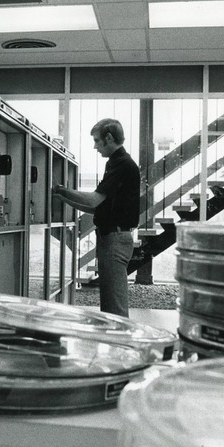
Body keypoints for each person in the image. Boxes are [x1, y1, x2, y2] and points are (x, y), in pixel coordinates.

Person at [52, 118, 140, 317]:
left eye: (96, 141)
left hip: (115, 240)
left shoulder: (123, 164)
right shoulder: (115, 163)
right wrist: (63, 197)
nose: (94, 146)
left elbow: (93, 200)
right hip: (111, 238)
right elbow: (97, 208)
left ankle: (119, 344)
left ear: (108, 138)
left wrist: (62, 189)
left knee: (114, 308)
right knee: (109, 304)